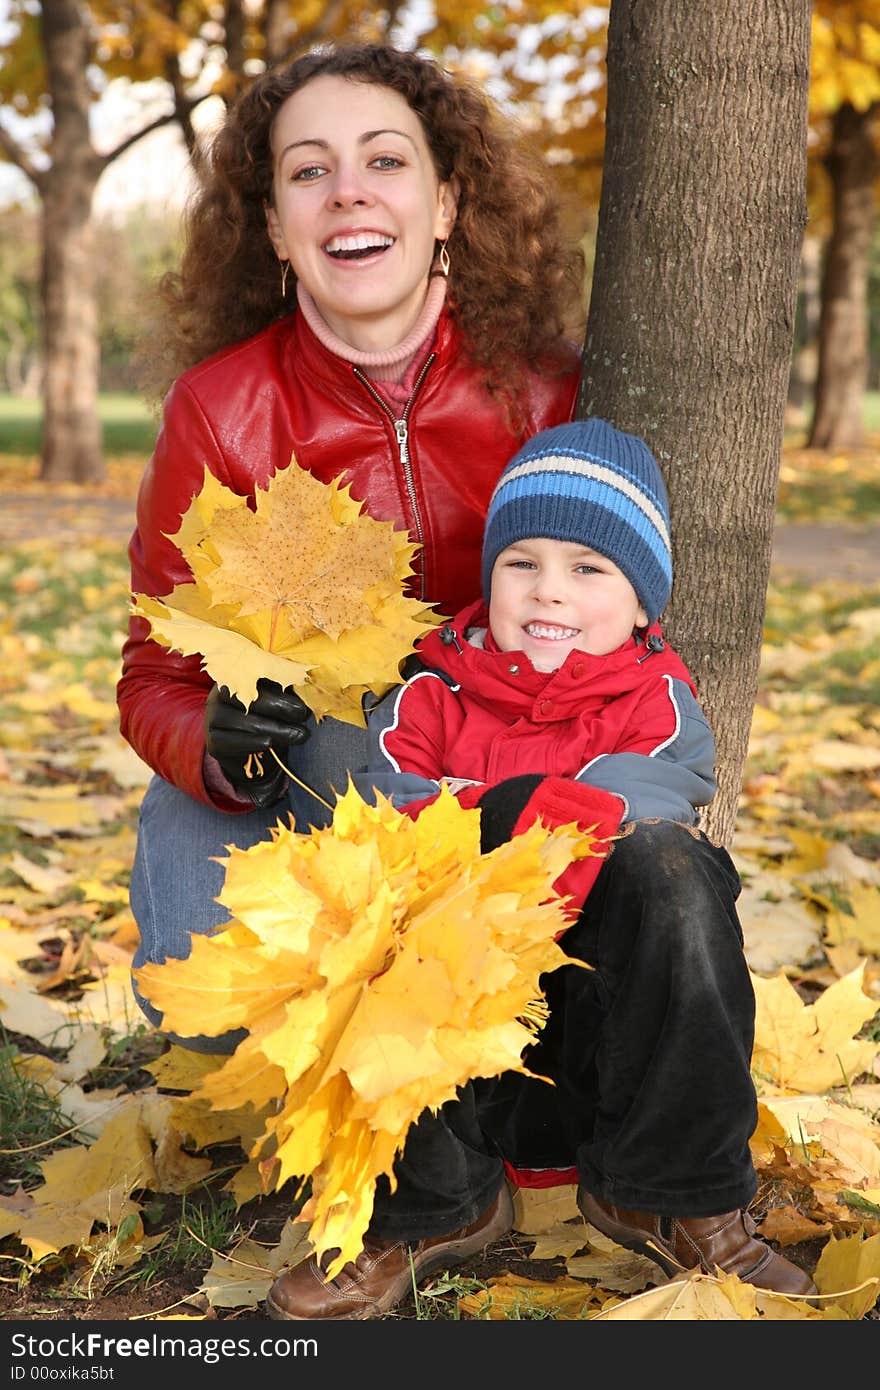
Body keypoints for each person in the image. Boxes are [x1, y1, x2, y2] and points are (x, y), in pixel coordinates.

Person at [265, 417, 817, 1319]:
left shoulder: (660, 704)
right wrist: (516, 817)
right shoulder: (429, 692)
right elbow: (391, 805)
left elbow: (638, 805)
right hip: (455, 1054)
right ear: (489, 576)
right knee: (374, 904)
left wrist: (503, 813)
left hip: (601, 1047)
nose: (548, 590)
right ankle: (428, 1209)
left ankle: (680, 1195)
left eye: (588, 569)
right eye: (522, 562)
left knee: (673, 872)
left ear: (644, 603)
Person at [117, 42, 585, 1051]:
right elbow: (153, 673)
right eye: (308, 172)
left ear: (448, 203)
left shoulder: (553, 397)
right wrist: (218, 745)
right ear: (278, 231)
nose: (346, 195)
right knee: (210, 1009)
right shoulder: (219, 414)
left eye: (383, 160)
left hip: (501, 773)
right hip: (298, 783)